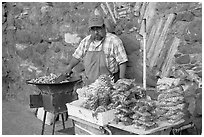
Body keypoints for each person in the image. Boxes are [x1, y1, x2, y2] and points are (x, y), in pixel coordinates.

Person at [62, 14, 128, 85]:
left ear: (104, 27)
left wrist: (121, 80)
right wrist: (69, 67)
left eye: (98, 29)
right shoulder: (85, 42)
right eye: (93, 29)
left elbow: (122, 61)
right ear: (89, 30)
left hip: (109, 83)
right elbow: (77, 56)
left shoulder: (114, 41)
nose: (96, 32)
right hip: (90, 84)